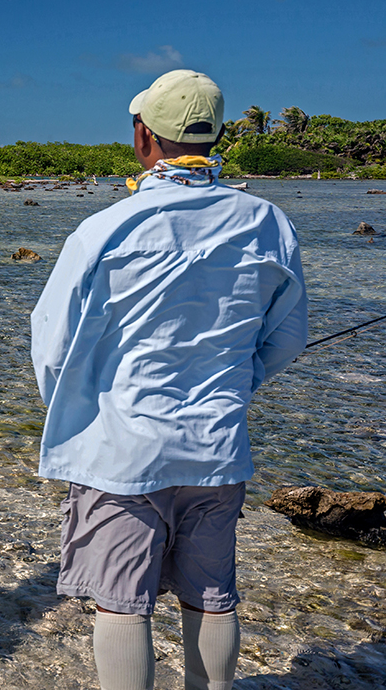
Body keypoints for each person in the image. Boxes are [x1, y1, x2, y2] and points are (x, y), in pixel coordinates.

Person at [30, 70, 307, 690]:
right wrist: (234, 385)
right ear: (217, 136)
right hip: (218, 445)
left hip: (124, 450)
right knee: (211, 596)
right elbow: (287, 338)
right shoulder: (269, 223)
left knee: (122, 604)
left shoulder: (105, 229)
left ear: (143, 135)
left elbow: (51, 345)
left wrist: (77, 412)